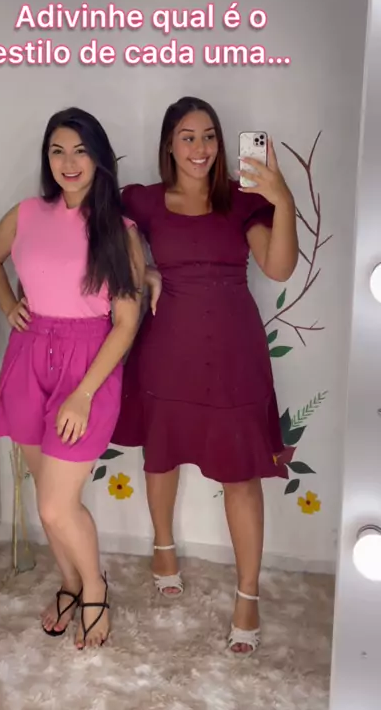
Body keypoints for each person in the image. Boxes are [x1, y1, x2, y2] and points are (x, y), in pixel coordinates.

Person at [112, 96, 298, 655]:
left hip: (235, 353)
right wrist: (144, 268)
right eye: (188, 137)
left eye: (210, 136)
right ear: (169, 145)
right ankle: (163, 547)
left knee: (241, 473)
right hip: (167, 349)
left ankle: (248, 594)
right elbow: (102, 226)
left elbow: (279, 267)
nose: (200, 148)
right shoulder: (142, 200)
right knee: (162, 454)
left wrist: (283, 198)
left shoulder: (244, 199)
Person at [0, 107, 145, 650]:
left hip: (87, 366)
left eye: (80, 150)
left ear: (99, 158)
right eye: (57, 151)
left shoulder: (118, 231)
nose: (68, 162)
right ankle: (70, 581)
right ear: (46, 159)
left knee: (55, 504)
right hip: (28, 358)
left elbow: (126, 323)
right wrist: (9, 305)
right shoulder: (27, 213)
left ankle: (94, 587)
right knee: (46, 501)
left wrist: (83, 393)